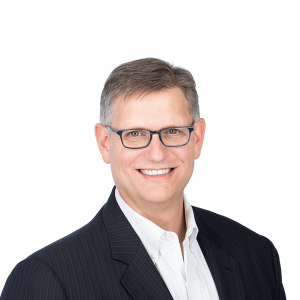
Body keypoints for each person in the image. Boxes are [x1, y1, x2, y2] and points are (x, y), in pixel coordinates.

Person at [1, 58, 286, 300]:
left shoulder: (256, 255)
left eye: (173, 131)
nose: (157, 154)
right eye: (135, 134)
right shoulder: (45, 281)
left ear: (197, 138)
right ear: (104, 143)